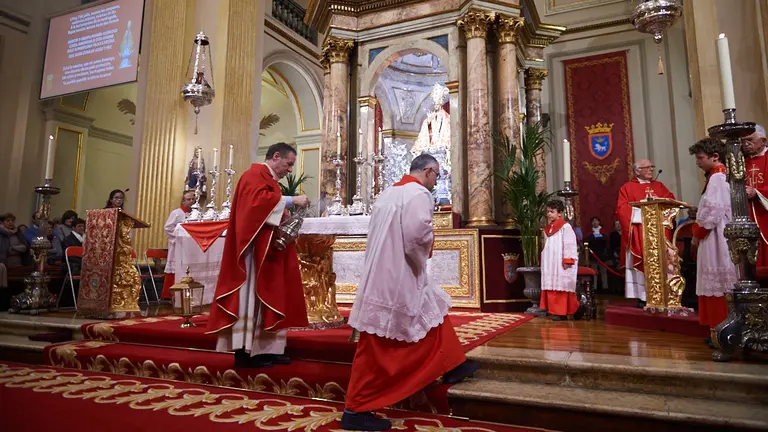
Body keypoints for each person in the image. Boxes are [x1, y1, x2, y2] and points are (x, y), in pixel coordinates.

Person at [341, 154, 478, 431]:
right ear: (428, 171)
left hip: (383, 271)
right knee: (378, 344)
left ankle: (452, 365)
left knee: (432, 312)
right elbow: (417, 236)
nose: (436, 181)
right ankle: (355, 409)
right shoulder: (419, 194)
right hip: (398, 273)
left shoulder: (390, 193)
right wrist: (424, 254)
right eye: (436, 175)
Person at [207, 143, 310, 369]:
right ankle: (245, 352)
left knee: (268, 298)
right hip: (252, 255)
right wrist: (291, 200)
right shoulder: (254, 175)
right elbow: (255, 205)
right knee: (250, 300)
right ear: (276, 157)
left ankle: (266, 349)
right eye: (289, 164)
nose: (290, 170)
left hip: (268, 251)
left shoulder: (269, 180)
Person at [689, 138, 738, 340]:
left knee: (718, 283)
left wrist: (696, 234)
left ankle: (720, 331)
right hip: (715, 233)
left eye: (701, 158)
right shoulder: (716, 176)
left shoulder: (718, 178)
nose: (698, 162)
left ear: (715, 156)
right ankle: (717, 330)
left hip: (715, 236)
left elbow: (713, 210)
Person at [615, 159, 675, 307]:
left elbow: (671, 202)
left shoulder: (659, 186)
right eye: (646, 167)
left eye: (651, 167)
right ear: (637, 171)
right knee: (642, 262)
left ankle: (665, 294)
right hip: (639, 233)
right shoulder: (627, 188)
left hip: (659, 232)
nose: (651, 169)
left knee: (663, 261)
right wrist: (643, 213)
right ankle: (643, 296)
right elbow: (622, 210)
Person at [539, 200, 579, 321]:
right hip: (550, 262)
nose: (549, 214)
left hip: (561, 262)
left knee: (561, 284)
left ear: (560, 213)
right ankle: (552, 309)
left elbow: (569, 244)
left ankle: (561, 311)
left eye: (552, 212)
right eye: (548, 212)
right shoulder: (548, 229)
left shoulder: (565, 227)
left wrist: (567, 259)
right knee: (551, 283)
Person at [160, 191, 196, 299]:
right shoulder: (176, 213)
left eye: (193, 199)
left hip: (192, 248)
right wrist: (180, 236)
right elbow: (168, 228)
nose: (191, 202)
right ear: (183, 201)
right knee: (176, 269)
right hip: (178, 246)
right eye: (188, 199)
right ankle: (172, 296)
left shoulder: (196, 214)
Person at [742, 124, 768, 268]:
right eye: (743, 141)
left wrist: (757, 192)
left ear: (763, 141)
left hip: (764, 212)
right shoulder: (742, 163)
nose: (746, 144)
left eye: (750, 140)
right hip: (748, 213)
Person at [585, 216, 609, 291]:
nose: (595, 222)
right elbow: (587, 241)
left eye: (596, 221)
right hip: (593, 255)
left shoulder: (604, 231)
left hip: (602, 255)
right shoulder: (589, 232)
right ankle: (594, 288)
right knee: (594, 272)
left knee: (603, 272)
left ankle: (605, 287)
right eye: (593, 221)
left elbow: (606, 241)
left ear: (599, 222)